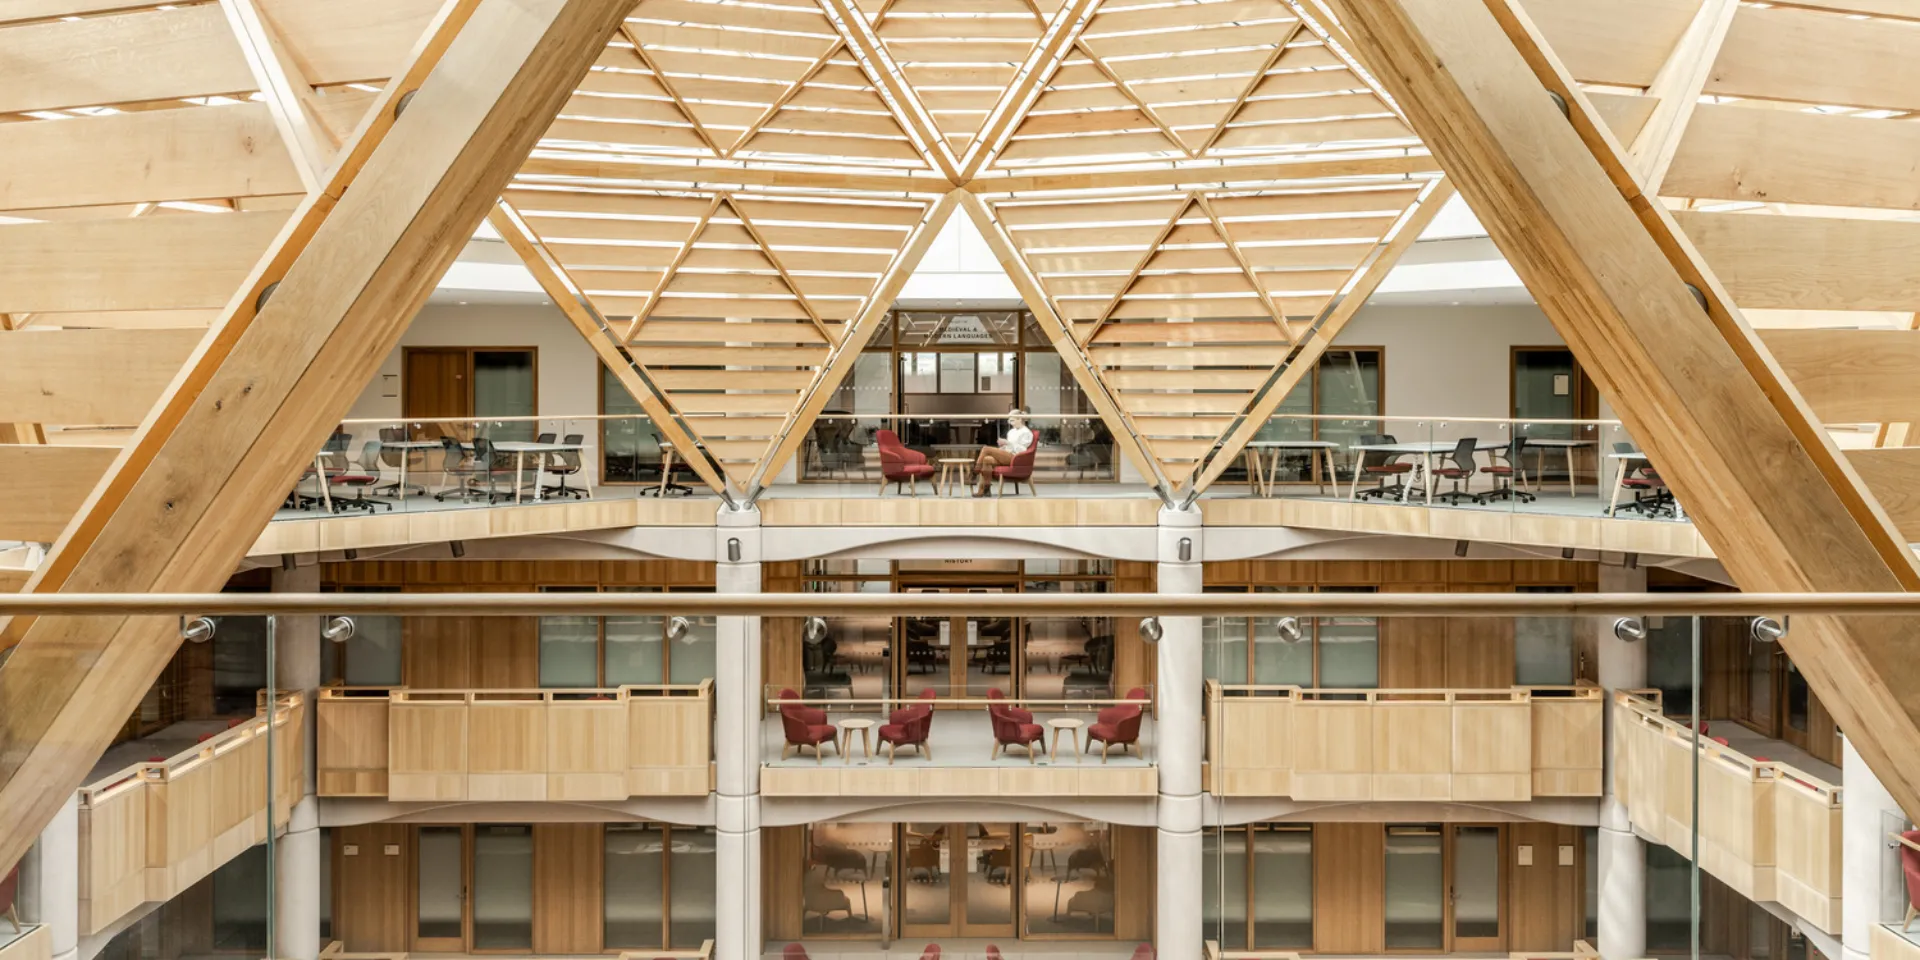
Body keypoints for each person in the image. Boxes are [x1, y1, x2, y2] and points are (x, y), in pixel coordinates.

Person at [972, 409, 1033, 496]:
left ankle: (975, 472)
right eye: (1009, 420)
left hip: (1015, 458)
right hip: (1007, 454)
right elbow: (1009, 446)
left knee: (986, 449)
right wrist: (1003, 447)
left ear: (1019, 419)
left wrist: (1008, 443)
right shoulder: (1011, 431)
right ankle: (985, 490)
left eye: (1012, 420)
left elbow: (1022, 450)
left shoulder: (1026, 432)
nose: (1010, 423)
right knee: (987, 459)